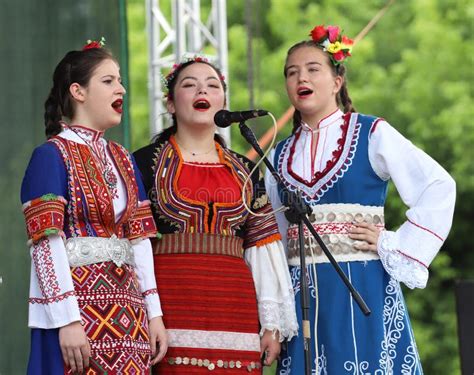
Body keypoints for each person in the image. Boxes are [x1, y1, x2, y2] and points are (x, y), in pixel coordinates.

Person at [264, 25, 456, 374]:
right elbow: (274, 240)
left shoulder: (372, 133)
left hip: (362, 284)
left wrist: (395, 243)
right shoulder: (277, 157)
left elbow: (438, 185)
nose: (300, 78)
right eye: (291, 73)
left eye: (312, 69)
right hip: (301, 294)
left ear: (337, 81)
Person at [133, 57, 298, 374]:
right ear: (170, 103)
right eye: (189, 84)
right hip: (168, 308)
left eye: (212, 85)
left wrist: (271, 326)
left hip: (235, 309)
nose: (201, 90)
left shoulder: (245, 169)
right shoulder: (143, 164)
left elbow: (262, 246)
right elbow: (133, 243)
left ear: (223, 102)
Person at [21, 39, 168, 374]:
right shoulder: (50, 155)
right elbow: (46, 244)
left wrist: (154, 313)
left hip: (128, 311)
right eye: (109, 81)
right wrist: (68, 320)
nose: (122, 88)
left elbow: (140, 240)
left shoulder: (123, 159)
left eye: (120, 80)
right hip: (76, 311)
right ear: (78, 91)